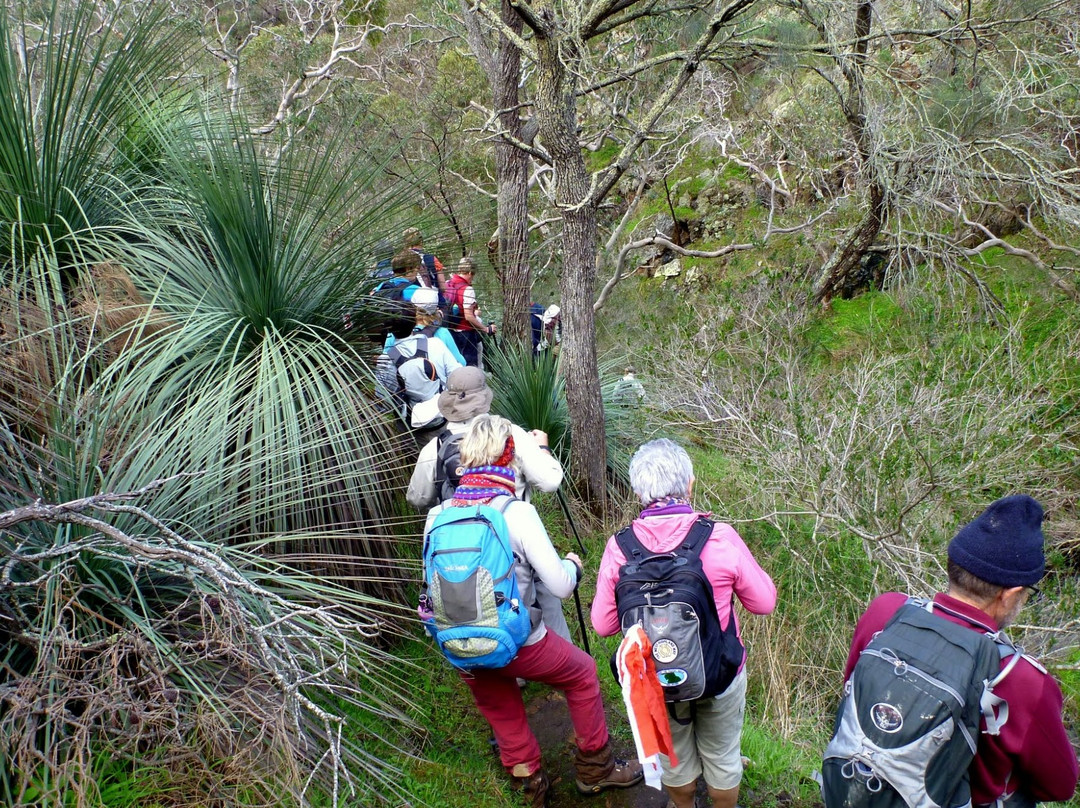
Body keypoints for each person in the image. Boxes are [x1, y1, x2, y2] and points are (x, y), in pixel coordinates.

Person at [425, 414, 644, 806]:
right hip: (521, 641)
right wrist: (575, 565)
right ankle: (596, 768)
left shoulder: (437, 517)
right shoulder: (516, 513)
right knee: (582, 674)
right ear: (510, 458)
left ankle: (530, 784)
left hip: (460, 645)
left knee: (500, 703)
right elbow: (559, 585)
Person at [836, 495, 1078, 807]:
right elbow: (1060, 786)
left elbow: (850, 688)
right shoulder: (1022, 679)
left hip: (857, 789)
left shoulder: (888, 612)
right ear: (1010, 594)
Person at [592, 439, 777, 808]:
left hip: (654, 680)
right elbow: (764, 603)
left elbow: (603, 624)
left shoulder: (620, 547)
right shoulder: (719, 537)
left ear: (638, 491)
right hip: (718, 673)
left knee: (673, 759)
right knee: (723, 756)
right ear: (689, 484)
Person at [407, 366, 571, 642]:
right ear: (485, 398)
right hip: (515, 538)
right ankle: (557, 660)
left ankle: (492, 660)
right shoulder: (511, 435)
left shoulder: (434, 448)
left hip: (461, 549)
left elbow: (417, 498)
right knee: (543, 594)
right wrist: (542, 448)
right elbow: (551, 481)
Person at [446, 256, 496, 367]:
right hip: (466, 334)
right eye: (472, 275)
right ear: (469, 272)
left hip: (451, 332)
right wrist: (485, 329)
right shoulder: (467, 289)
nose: (472, 278)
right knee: (470, 368)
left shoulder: (449, 283)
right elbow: (468, 316)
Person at [402, 227, 448, 304]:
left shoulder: (400, 260)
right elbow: (443, 287)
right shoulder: (433, 259)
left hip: (411, 303)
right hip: (435, 301)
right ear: (420, 241)